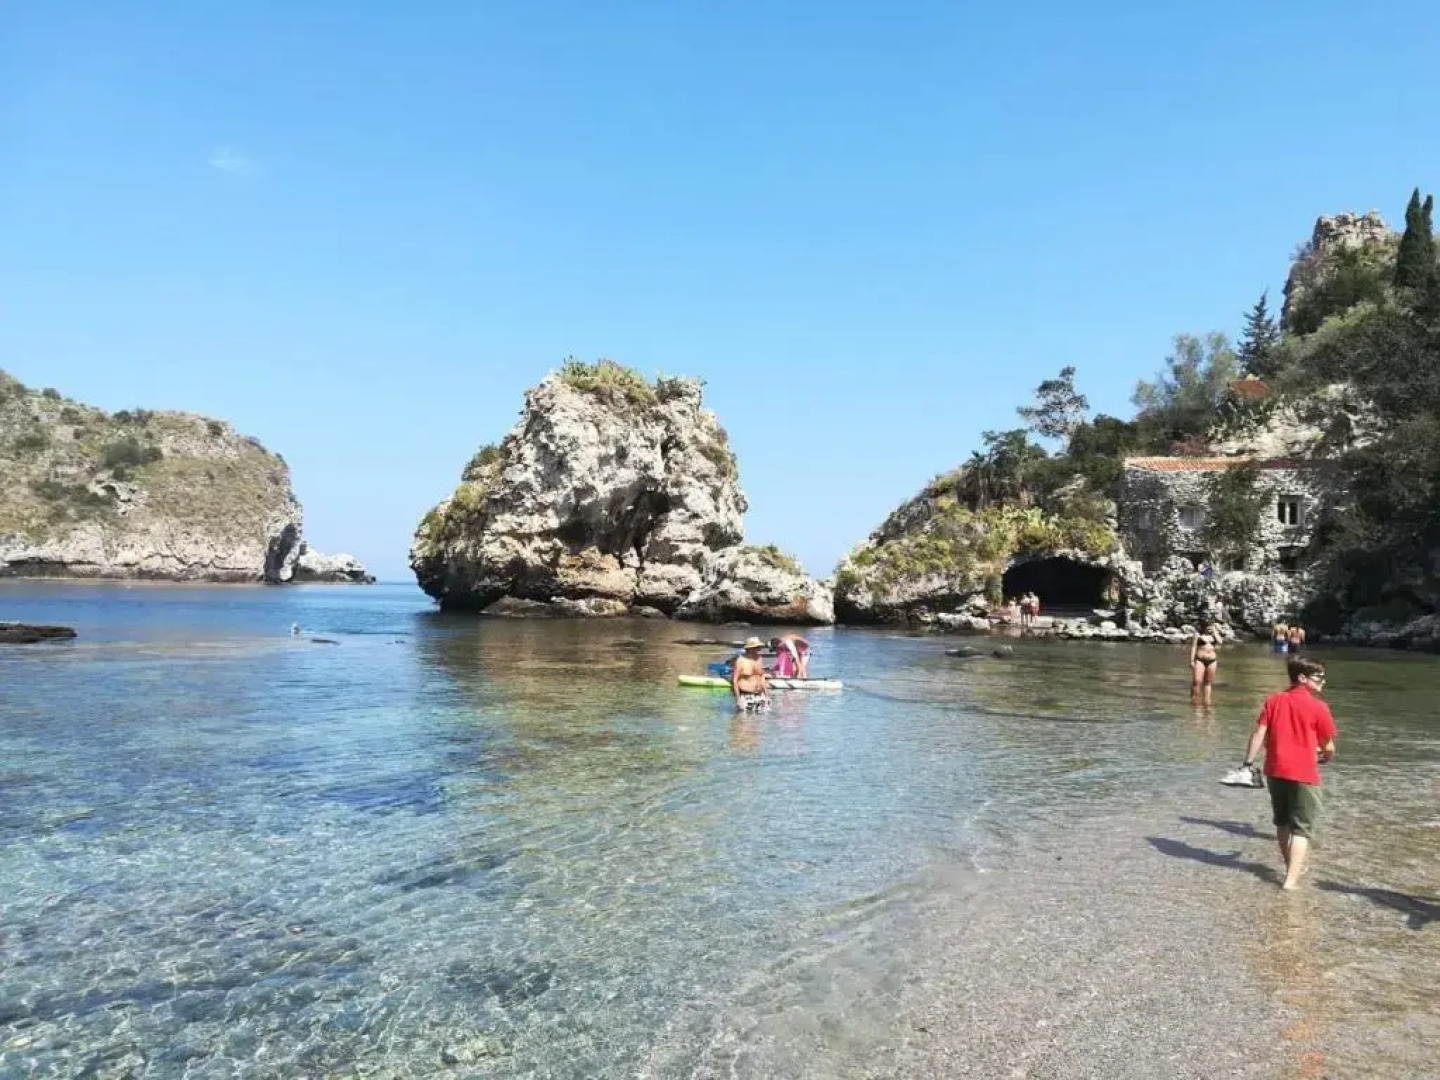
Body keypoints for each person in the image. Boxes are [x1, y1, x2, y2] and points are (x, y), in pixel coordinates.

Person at [1236, 657, 1337, 890]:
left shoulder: (1274, 700)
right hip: (1304, 773)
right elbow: (1328, 745)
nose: (1323, 681)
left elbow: (1259, 733)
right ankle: (1290, 882)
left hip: (1275, 770)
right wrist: (1327, 756)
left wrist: (1248, 763)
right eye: (1319, 677)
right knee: (1302, 828)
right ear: (1302, 678)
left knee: (1282, 824)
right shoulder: (1318, 707)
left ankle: (1291, 867)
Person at [731, 637, 771, 712]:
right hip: (745, 695)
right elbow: (734, 680)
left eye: (759, 647)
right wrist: (738, 699)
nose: (759, 649)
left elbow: (761, 677)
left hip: (759, 695)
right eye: (756, 647)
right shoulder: (740, 661)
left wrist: (766, 695)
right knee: (744, 721)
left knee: (759, 721)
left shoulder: (759, 658)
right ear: (750, 648)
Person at [1190, 624, 1220, 705]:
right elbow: (1193, 647)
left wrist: (1215, 632)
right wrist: (1192, 661)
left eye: (1211, 627)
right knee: (1197, 681)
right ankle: (1194, 700)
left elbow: (1220, 642)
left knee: (1208, 682)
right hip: (1200, 660)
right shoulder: (1198, 635)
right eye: (1208, 627)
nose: (1209, 628)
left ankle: (1207, 701)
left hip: (1212, 661)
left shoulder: (1214, 636)